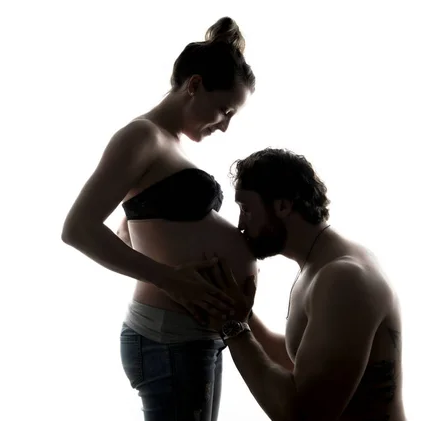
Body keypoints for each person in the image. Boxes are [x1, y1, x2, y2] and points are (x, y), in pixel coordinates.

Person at [61, 17, 257, 421]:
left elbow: (129, 227)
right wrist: (170, 278)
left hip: (192, 335)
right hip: (168, 338)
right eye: (224, 110)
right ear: (194, 85)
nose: (224, 126)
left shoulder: (168, 143)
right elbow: (77, 229)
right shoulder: (142, 136)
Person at [197, 148, 407, 421]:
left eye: (247, 209)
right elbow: (306, 363)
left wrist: (233, 330)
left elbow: (303, 415)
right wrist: (241, 315)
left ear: (283, 206)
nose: (240, 224)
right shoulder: (322, 265)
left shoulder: (343, 278)